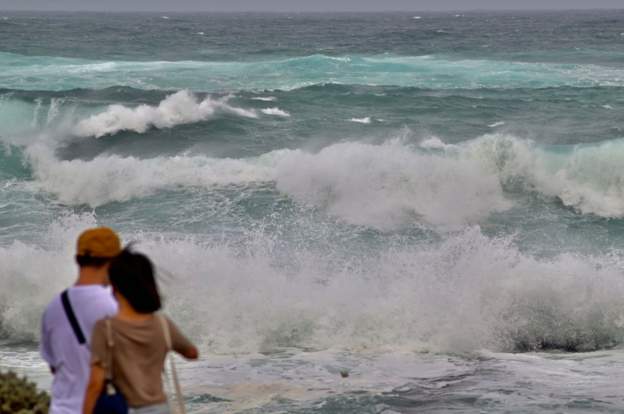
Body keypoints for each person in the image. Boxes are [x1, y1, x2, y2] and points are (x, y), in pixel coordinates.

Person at [83, 248, 198, 414]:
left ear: (114, 285)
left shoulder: (106, 327)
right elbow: (192, 353)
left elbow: (95, 382)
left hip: (126, 408)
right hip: (160, 408)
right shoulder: (162, 324)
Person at [40, 227, 122, 414]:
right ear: (115, 261)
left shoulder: (53, 307)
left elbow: (54, 366)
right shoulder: (115, 306)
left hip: (62, 409)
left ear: (77, 259)